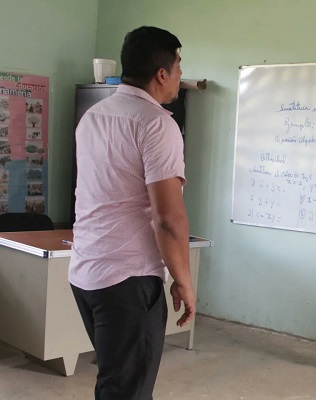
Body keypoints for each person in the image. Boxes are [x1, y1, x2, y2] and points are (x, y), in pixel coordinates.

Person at [69, 26, 195, 399]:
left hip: (86, 271)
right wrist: (184, 279)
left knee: (119, 381)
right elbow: (168, 218)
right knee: (127, 390)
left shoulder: (94, 114)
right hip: (128, 277)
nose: (179, 75)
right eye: (178, 66)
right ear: (162, 74)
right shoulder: (157, 123)